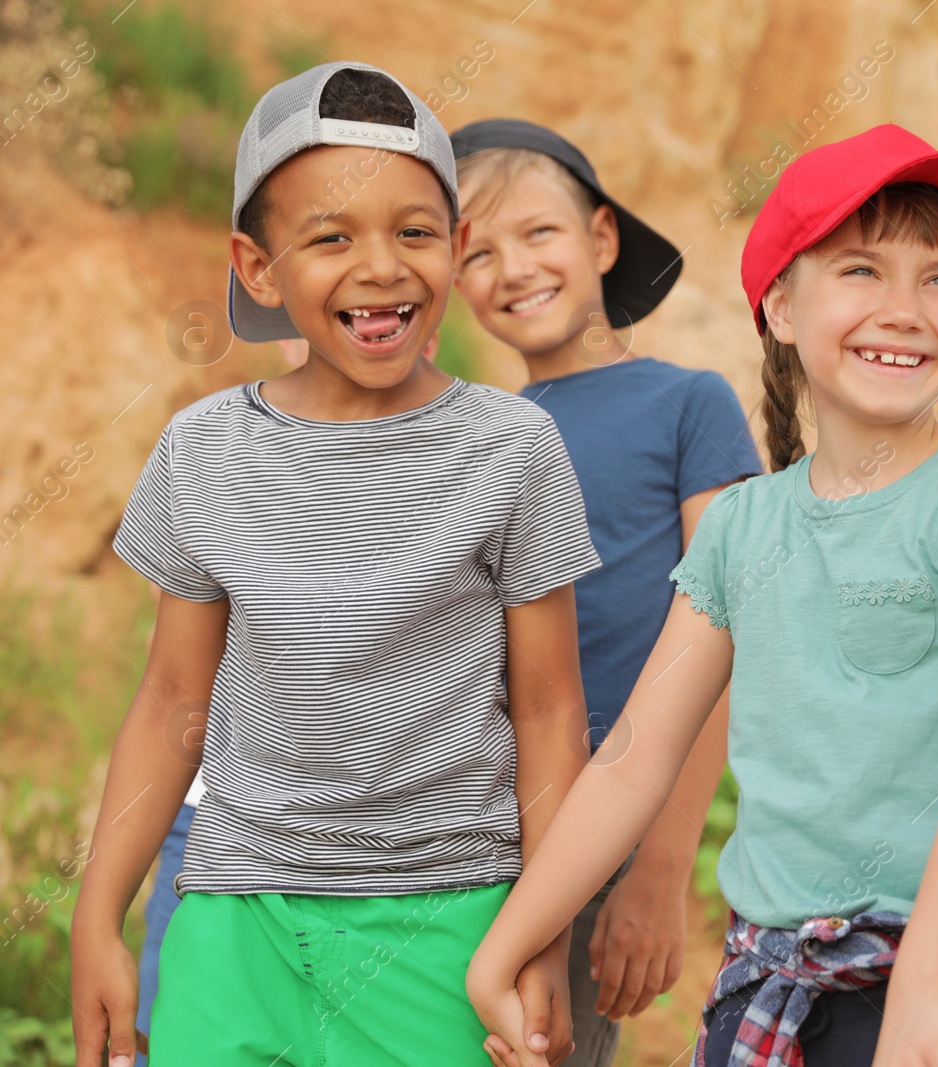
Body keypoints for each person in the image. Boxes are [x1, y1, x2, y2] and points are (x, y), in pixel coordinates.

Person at [468, 123, 938, 1067]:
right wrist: (501, 952)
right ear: (782, 306)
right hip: (769, 985)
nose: (905, 308)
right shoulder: (746, 527)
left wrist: (919, 998)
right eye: (862, 271)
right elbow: (630, 760)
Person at [70, 61, 599, 1066]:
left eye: (414, 231)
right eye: (329, 237)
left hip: (449, 924)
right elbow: (173, 697)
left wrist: (540, 932)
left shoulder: (514, 449)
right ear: (258, 266)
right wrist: (98, 912)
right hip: (235, 918)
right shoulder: (201, 448)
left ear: (456, 248)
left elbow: (548, 712)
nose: (381, 266)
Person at [449, 118, 765, 1067]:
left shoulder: (688, 403)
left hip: (611, 825)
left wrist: (662, 862)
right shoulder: (479, 432)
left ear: (600, 239)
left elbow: (724, 629)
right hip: (470, 826)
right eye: (477, 252)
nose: (513, 268)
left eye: (540, 234)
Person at [129, 335, 440, 1067]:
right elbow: (179, 671)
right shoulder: (223, 448)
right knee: (169, 1028)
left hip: (399, 854)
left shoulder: (471, 455)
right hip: (219, 823)